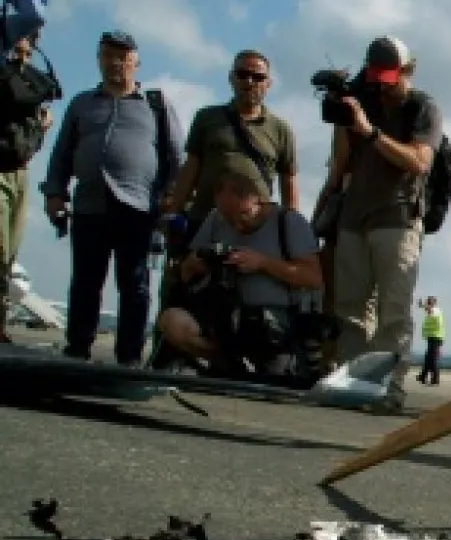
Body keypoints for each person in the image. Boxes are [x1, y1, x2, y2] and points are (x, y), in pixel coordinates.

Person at [40, 30, 184, 366]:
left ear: (136, 62)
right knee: (85, 282)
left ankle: (129, 357)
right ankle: (77, 349)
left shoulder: (156, 105)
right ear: (98, 59)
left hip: (138, 207)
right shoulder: (81, 103)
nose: (115, 63)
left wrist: (170, 200)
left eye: (122, 57)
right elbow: (61, 153)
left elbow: (177, 158)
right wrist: (55, 193)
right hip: (90, 204)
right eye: (108, 56)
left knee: (134, 285)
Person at [152, 49, 299, 368]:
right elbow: (191, 167)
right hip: (203, 220)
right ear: (231, 78)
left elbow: (289, 182)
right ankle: (167, 357)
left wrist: (291, 230)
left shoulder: (281, 130)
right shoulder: (207, 118)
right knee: (181, 287)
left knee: (243, 297)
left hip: (253, 230)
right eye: (243, 74)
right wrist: (173, 209)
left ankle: (233, 360)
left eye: (257, 76)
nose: (250, 82)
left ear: (268, 83)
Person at [320, 35, 443, 414]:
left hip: (398, 216)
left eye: (389, 77)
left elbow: (420, 162)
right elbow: (340, 162)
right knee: (351, 309)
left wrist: (370, 130)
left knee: (394, 311)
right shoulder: (365, 97)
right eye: (376, 77)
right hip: (354, 215)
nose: (382, 85)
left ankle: (389, 389)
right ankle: (352, 384)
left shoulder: (423, 108)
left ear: (408, 70)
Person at [157, 168, 322, 374]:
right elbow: (186, 271)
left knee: (275, 379)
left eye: (243, 215)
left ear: (258, 200)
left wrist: (262, 263)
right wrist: (196, 264)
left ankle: (261, 363)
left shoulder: (288, 221)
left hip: (272, 324)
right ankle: (226, 361)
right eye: (228, 217)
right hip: (226, 317)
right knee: (172, 321)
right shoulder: (216, 219)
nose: (237, 225)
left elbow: (313, 278)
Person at [0, 31, 59, 342]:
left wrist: (41, 127)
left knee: (11, 250)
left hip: (21, 171)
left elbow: (25, 142)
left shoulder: (31, 81)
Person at [417, 295, 443, 385]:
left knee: (432, 359)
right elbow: (428, 310)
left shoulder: (436, 310)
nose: (427, 303)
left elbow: (430, 310)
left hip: (436, 337)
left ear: (433, 303)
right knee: (428, 358)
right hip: (432, 337)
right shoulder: (432, 311)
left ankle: (435, 379)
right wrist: (422, 306)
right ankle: (423, 376)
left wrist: (423, 305)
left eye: (429, 301)